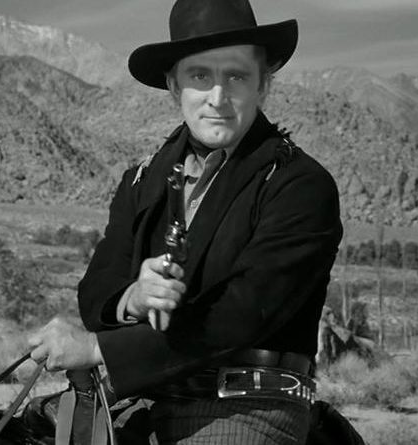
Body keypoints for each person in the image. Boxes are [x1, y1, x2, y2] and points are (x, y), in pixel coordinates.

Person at [27, 0, 343, 443]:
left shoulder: (299, 185)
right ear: (174, 86)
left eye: (236, 76)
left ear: (263, 84)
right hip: (145, 396)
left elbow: (243, 314)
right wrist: (133, 298)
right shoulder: (141, 180)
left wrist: (98, 348)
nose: (218, 97)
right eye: (199, 76)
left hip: (249, 409)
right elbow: (97, 288)